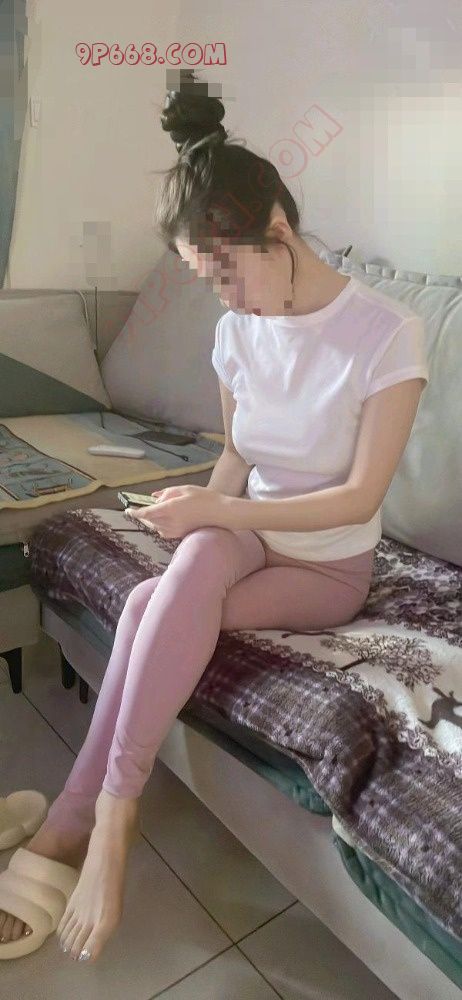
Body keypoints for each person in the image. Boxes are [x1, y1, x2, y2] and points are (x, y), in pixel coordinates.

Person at [0, 70, 428, 962]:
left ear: (277, 230)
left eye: (228, 271)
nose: (224, 297)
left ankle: (86, 817)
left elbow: (360, 498)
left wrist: (219, 508)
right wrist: (197, 511)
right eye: (206, 280)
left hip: (325, 566)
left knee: (153, 603)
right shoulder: (235, 331)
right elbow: (236, 456)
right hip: (245, 533)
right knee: (180, 574)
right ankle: (106, 814)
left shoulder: (386, 334)